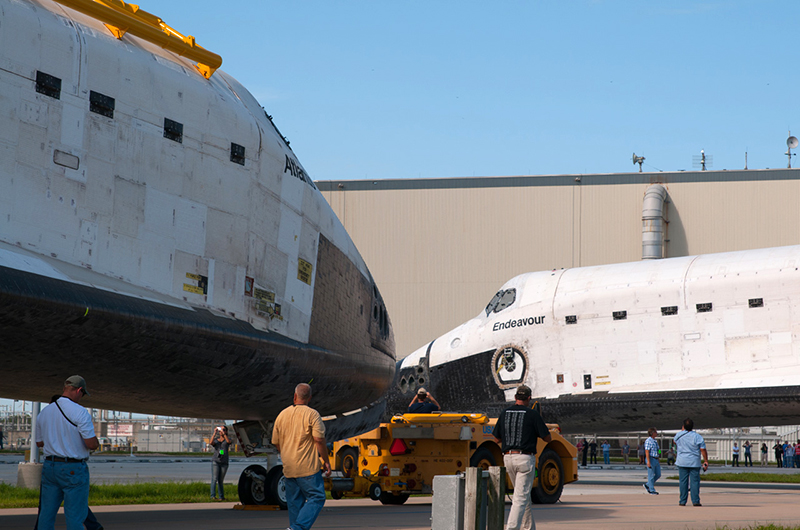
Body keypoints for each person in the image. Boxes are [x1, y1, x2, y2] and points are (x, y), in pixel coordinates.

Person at [34, 375, 99, 530]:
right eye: (82, 394)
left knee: (46, 514)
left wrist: (56, 439)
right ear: (79, 390)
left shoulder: (44, 412)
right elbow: (91, 444)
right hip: (73, 469)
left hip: (50, 467)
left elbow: (39, 442)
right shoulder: (80, 412)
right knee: (75, 517)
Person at [272, 383, 331, 530]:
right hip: (308, 468)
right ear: (310, 398)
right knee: (317, 497)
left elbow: (276, 442)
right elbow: (318, 439)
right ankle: (297, 528)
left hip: (289, 468)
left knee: (294, 503)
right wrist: (326, 461)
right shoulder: (312, 414)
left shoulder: (282, 415)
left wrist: (286, 454)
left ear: (294, 396)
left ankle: (294, 528)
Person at [492, 385, 551, 530]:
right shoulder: (532, 414)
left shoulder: (504, 413)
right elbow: (547, 438)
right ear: (529, 398)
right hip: (525, 458)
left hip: (508, 458)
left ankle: (529, 527)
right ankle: (511, 528)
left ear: (515, 397)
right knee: (520, 498)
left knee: (524, 497)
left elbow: (496, 439)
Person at [674, 418, 709, 507]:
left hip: (682, 461)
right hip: (694, 462)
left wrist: (683, 432)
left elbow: (675, 442)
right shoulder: (697, 436)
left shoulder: (678, 435)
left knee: (683, 482)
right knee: (695, 482)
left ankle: (682, 501)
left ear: (683, 426)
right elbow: (703, 449)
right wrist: (705, 460)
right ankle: (695, 501)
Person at [209, 425, 231, 500]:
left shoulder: (227, 439)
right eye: (221, 430)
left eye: (224, 429)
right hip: (216, 461)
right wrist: (214, 433)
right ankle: (212, 496)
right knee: (214, 479)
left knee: (220, 480)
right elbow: (211, 442)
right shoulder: (216, 440)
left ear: (226, 431)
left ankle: (221, 496)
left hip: (224, 462)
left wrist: (224, 434)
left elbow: (228, 442)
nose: (222, 431)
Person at [643, 427, 660, 494]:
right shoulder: (648, 441)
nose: (657, 433)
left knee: (658, 474)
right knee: (651, 475)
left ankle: (648, 485)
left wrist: (659, 457)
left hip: (656, 459)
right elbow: (647, 451)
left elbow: (658, 450)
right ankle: (651, 490)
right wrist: (648, 461)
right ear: (652, 433)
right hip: (651, 458)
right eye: (656, 432)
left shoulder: (655, 441)